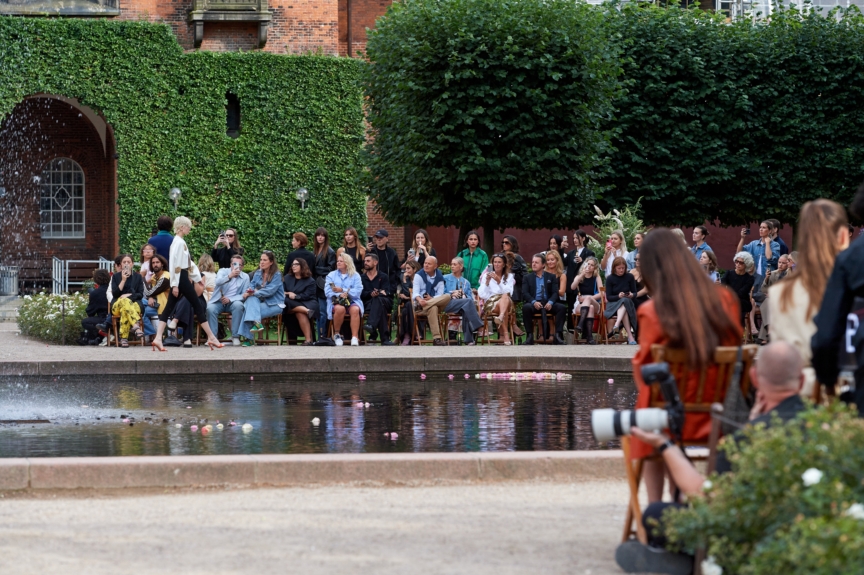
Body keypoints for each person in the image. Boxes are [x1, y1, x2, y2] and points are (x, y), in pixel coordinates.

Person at [616, 342, 806, 574]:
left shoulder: (743, 441)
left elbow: (709, 499)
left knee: (656, 514)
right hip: (807, 532)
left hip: (749, 538)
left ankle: (690, 560)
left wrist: (663, 444)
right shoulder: (825, 427)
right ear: (802, 381)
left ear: (755, 378)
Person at [632, 228, 741, 504]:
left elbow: (644, 376)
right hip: (719, 417)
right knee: (655, 412)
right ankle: (678, 499)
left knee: (648, 416)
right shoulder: (726, 299)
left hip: (668, 422)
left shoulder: (652, 311)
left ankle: (657, 511)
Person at [771, 199, 848, 399]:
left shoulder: (780, 292)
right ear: (842, 237)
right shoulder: (852, 284)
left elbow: (779, 355)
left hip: (796, 393)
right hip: (846, 392)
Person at [151, 216, 222, 352]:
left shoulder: (179, 242)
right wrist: (176, 284)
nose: (189, 229)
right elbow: (176, 265)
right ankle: (211, 337)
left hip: (181, 276)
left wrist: (196, 278)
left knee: (169, 308)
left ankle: (158, 338)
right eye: (188, 226)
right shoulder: (178, 242)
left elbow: (187, 263)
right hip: (181, 277)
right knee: (196, 305)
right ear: (182, 227)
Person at [236, 251, 284, 346]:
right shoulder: (258, 273)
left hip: (275, 303)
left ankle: (249, 339)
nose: (261, 262)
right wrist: (249, 291)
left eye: (265, 260)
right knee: (251, 300)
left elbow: (270, 291)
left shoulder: (277, 274)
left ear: (271, 262)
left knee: (248, 310)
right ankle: (257, 324)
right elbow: (252, 285)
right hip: (259, 302)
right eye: (261, 260)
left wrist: (253, 293)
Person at [206, 254, 250, 346]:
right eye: (234, 264)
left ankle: (235, 336)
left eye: (239, 265)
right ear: (230, 264)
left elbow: (243, 295)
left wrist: (231, 299)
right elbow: (217, 282)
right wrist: (229, 276)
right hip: (219, 301)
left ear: (242, 266)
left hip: (233, 302)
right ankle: (212, 337)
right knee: (210, 308)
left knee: (239, 305)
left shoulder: (245, 277)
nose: (236, 266)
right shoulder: (223, 271)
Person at [521, 254, 565, 345]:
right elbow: (525, 293)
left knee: (562, 308)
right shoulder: (527, 278)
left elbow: (555, 292)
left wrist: (551, 302)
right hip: (535, 302)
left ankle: (557, 335)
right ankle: (529, 336)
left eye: (536, 262)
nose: (533, 264)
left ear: (543, 265)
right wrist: (533, 302)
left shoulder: (551, 277)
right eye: (533, 262)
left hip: (548, 302)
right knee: (526, 308)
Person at [325, 253, 364, 346]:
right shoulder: (331, 275)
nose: (338, 263)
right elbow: (328, 292)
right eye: (337, 261)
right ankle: (337, 335)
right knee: (340, 309)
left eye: (341, 261)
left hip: (352, 300)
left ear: (347, 263)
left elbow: (358, 291)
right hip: (337, 301)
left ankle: (354, 337)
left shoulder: (355, 275)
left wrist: (343, 290)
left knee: (355, 309)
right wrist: (339, 294)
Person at [443, 257, 484, 345]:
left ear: (461, 267)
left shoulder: (466, 282)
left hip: (461, 305)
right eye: (451, 264)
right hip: (447, 303)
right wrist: (451, 294)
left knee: (467, 308)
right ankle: (479, 326)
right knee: (468, 302)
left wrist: (463, 294)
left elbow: (470, 297)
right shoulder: (445, 278)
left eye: (454, 264)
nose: (452, 266)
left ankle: (468, 340)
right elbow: (440, 293)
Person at [412, 256, 452, 345]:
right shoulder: (419, 275)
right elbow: (415, 293)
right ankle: (437, 339)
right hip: (420, 304)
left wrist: (431, 299)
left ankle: (428, 304)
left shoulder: (439, 277)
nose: (426, 265)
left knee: (447, 296)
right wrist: (420, 300)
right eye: (425, 263)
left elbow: (440, 294)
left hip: (430, 303)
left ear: (435, 266)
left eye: (429, 264)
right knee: (433, 308)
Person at [478, 253, 515, 345]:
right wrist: (486, 282)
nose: (497, 264)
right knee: (504, 305)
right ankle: (505, 334)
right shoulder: (487, 275)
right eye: (495, 262)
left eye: (499, 262)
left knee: (505, 296)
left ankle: (501, 317)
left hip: (506, 300)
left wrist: (499, 282)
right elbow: (482, 294)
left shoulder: (509, 276)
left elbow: (510, 292)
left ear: (503, 264)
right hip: (492, 303)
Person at [753, 253, 790, 343]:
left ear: (788, 264)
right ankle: (769, 331)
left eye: (783, 263)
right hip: (772, 301)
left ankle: (764, 337)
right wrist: (766, 279)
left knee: (768, 302)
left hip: (784, 301)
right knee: (767, 301)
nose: (780, 265)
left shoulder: (789, 275)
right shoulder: (773, 273)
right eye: (779, 262)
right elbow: (763, 290)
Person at [110, 253, 145, 347]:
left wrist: (128, 296)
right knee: (124, 302)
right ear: (121, 264)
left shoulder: (138, 277)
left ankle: (124, 339)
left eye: (128, 262)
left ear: (132, 264)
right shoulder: (116, 277)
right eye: (124, 262)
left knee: (125, 308)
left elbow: (140, 294)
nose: (126, 264)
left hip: (135, 305)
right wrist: (123, 280)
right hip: (117, 305)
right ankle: (136, 326)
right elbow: (116, 294)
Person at [282, 258, 318, 345]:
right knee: (286, 301)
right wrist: (289, 293)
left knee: (298, 311)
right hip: (290, 302)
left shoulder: (310, 280)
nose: (293, 266)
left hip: (307, 302)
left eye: (296, 264)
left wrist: (296, 296)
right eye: (293, 264)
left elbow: (308, 295)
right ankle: (307, 312)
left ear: (302, 266)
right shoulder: (287, 278)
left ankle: (308, 340)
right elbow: (280, 292)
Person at [565, 230, 596, 329]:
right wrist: (561, 249)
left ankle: (585, 331)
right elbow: (564, 263)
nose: (575, 240)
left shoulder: (589, 252)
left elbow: (592, 265)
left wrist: (583, 262)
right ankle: (571, 330)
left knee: (584, 308)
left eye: (577, 238)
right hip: (572, 283)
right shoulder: (571, 253)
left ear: (583, 238)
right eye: (573, 238)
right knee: (570, 308)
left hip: (583, 285)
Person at [604, 257, 638, 345]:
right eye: (619, 268)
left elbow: (635, 293)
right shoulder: (610, 278)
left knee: (625, 301)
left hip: (628, 302)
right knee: (624, 303)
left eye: (623, 268)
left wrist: (631, 295)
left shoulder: (630, 276)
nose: (621, 270)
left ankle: (617, 324)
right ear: (614, 268)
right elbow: (609, 297)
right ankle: (630, 337)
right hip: (613, 304)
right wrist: (618, 296)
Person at [361, 253, 393, 345]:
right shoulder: (361, 278)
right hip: (368, 304)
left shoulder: (383, 276)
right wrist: (371, 294)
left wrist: (378, 293)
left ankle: (371, 328)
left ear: (375, 262)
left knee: (378, 300)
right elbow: (361, 293)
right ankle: (385, 339)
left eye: (368, 261)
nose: (365, 263)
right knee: (379, 306)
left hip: (384, 301)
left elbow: (386, 292)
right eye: (365, 261)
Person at [571, 256, 603, 344]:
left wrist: (588, 298)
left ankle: (580, 324)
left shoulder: (596, 277)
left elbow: (602, 293)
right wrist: (582, 274)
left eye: (592, 265)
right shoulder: (579, 276)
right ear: (585, 264)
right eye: (588, 264)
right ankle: (589, 337)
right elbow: (572, 287)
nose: (589, 266)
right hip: (581, 304)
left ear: (594, 268)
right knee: (591, 308)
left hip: (594, 301)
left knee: (589, 300)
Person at [313, 227, 336, 340]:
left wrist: (315, 269)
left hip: (323, 284)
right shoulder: (315, 251)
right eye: (318, 235)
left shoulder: (330, 251)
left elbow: (330, 269)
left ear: (326, 238)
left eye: (322, 235)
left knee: (323, 311)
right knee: (317, 312)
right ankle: (318, 336)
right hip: (314, 284)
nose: (320, 237)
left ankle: (323, 335)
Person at [722, 251, 756, 326]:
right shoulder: (729, 273)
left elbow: (742, 292)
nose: (738, 264)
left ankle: (737, 331)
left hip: (742, 301)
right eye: (737, 261)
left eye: (741, 263)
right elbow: (723, 286)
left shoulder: (749, 278)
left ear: (746, 264)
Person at [142, 254, 170, 340]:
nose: (155, 264)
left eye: (157, 262)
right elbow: (150, 293)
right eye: (153, 263)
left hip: (164, 305)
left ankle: (154, 335)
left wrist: (142, 277)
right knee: (140, 308)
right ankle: (153, 334)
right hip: (155, 304)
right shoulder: (154, 276)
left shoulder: (165, 277)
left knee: (141, 309)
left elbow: (148, 292)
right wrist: (151, 297)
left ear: (162, 264)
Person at [79, 268, 111, 345]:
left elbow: (90, 312)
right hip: (114, 317)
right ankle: (101, 337)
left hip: (103, 318)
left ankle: (104, 334)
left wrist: (91, 296)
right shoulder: (112, 289)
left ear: (96, 279)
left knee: (85, 322)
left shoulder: (95, 293)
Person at [543, 250, 568, 344]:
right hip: (543, 299)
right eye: (548, 260)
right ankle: (546, 335)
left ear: (557, 261)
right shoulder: (543, 273)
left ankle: (557, 334)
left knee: (561, 308)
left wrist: (552, 291)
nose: (550, 262)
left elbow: (561, 292)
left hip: (556, 300)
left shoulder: (562, 275)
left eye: (552, 260)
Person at [366, 229, 400, 294]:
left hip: (389, 286)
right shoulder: (371, 252)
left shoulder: (392, 253)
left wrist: (394, 285)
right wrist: (367, 251)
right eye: (377, 237)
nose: (379, 239)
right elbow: (364, 266)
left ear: (387, 239)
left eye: (381, 237)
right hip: (374, 286)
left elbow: (397, 269)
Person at [397, 261, 420, 345]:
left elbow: (410, 294)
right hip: (407, 304)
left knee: (407, 308)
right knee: (406, 308)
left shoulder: (419, 279)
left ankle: (406, 336)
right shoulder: (404, 278)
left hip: (418, 304)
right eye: (405, 268)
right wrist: (404, 280)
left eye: (408, 268)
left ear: (415, 269)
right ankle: (414, 334)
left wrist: (408, 296)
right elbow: (406, 293)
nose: (406, 271)